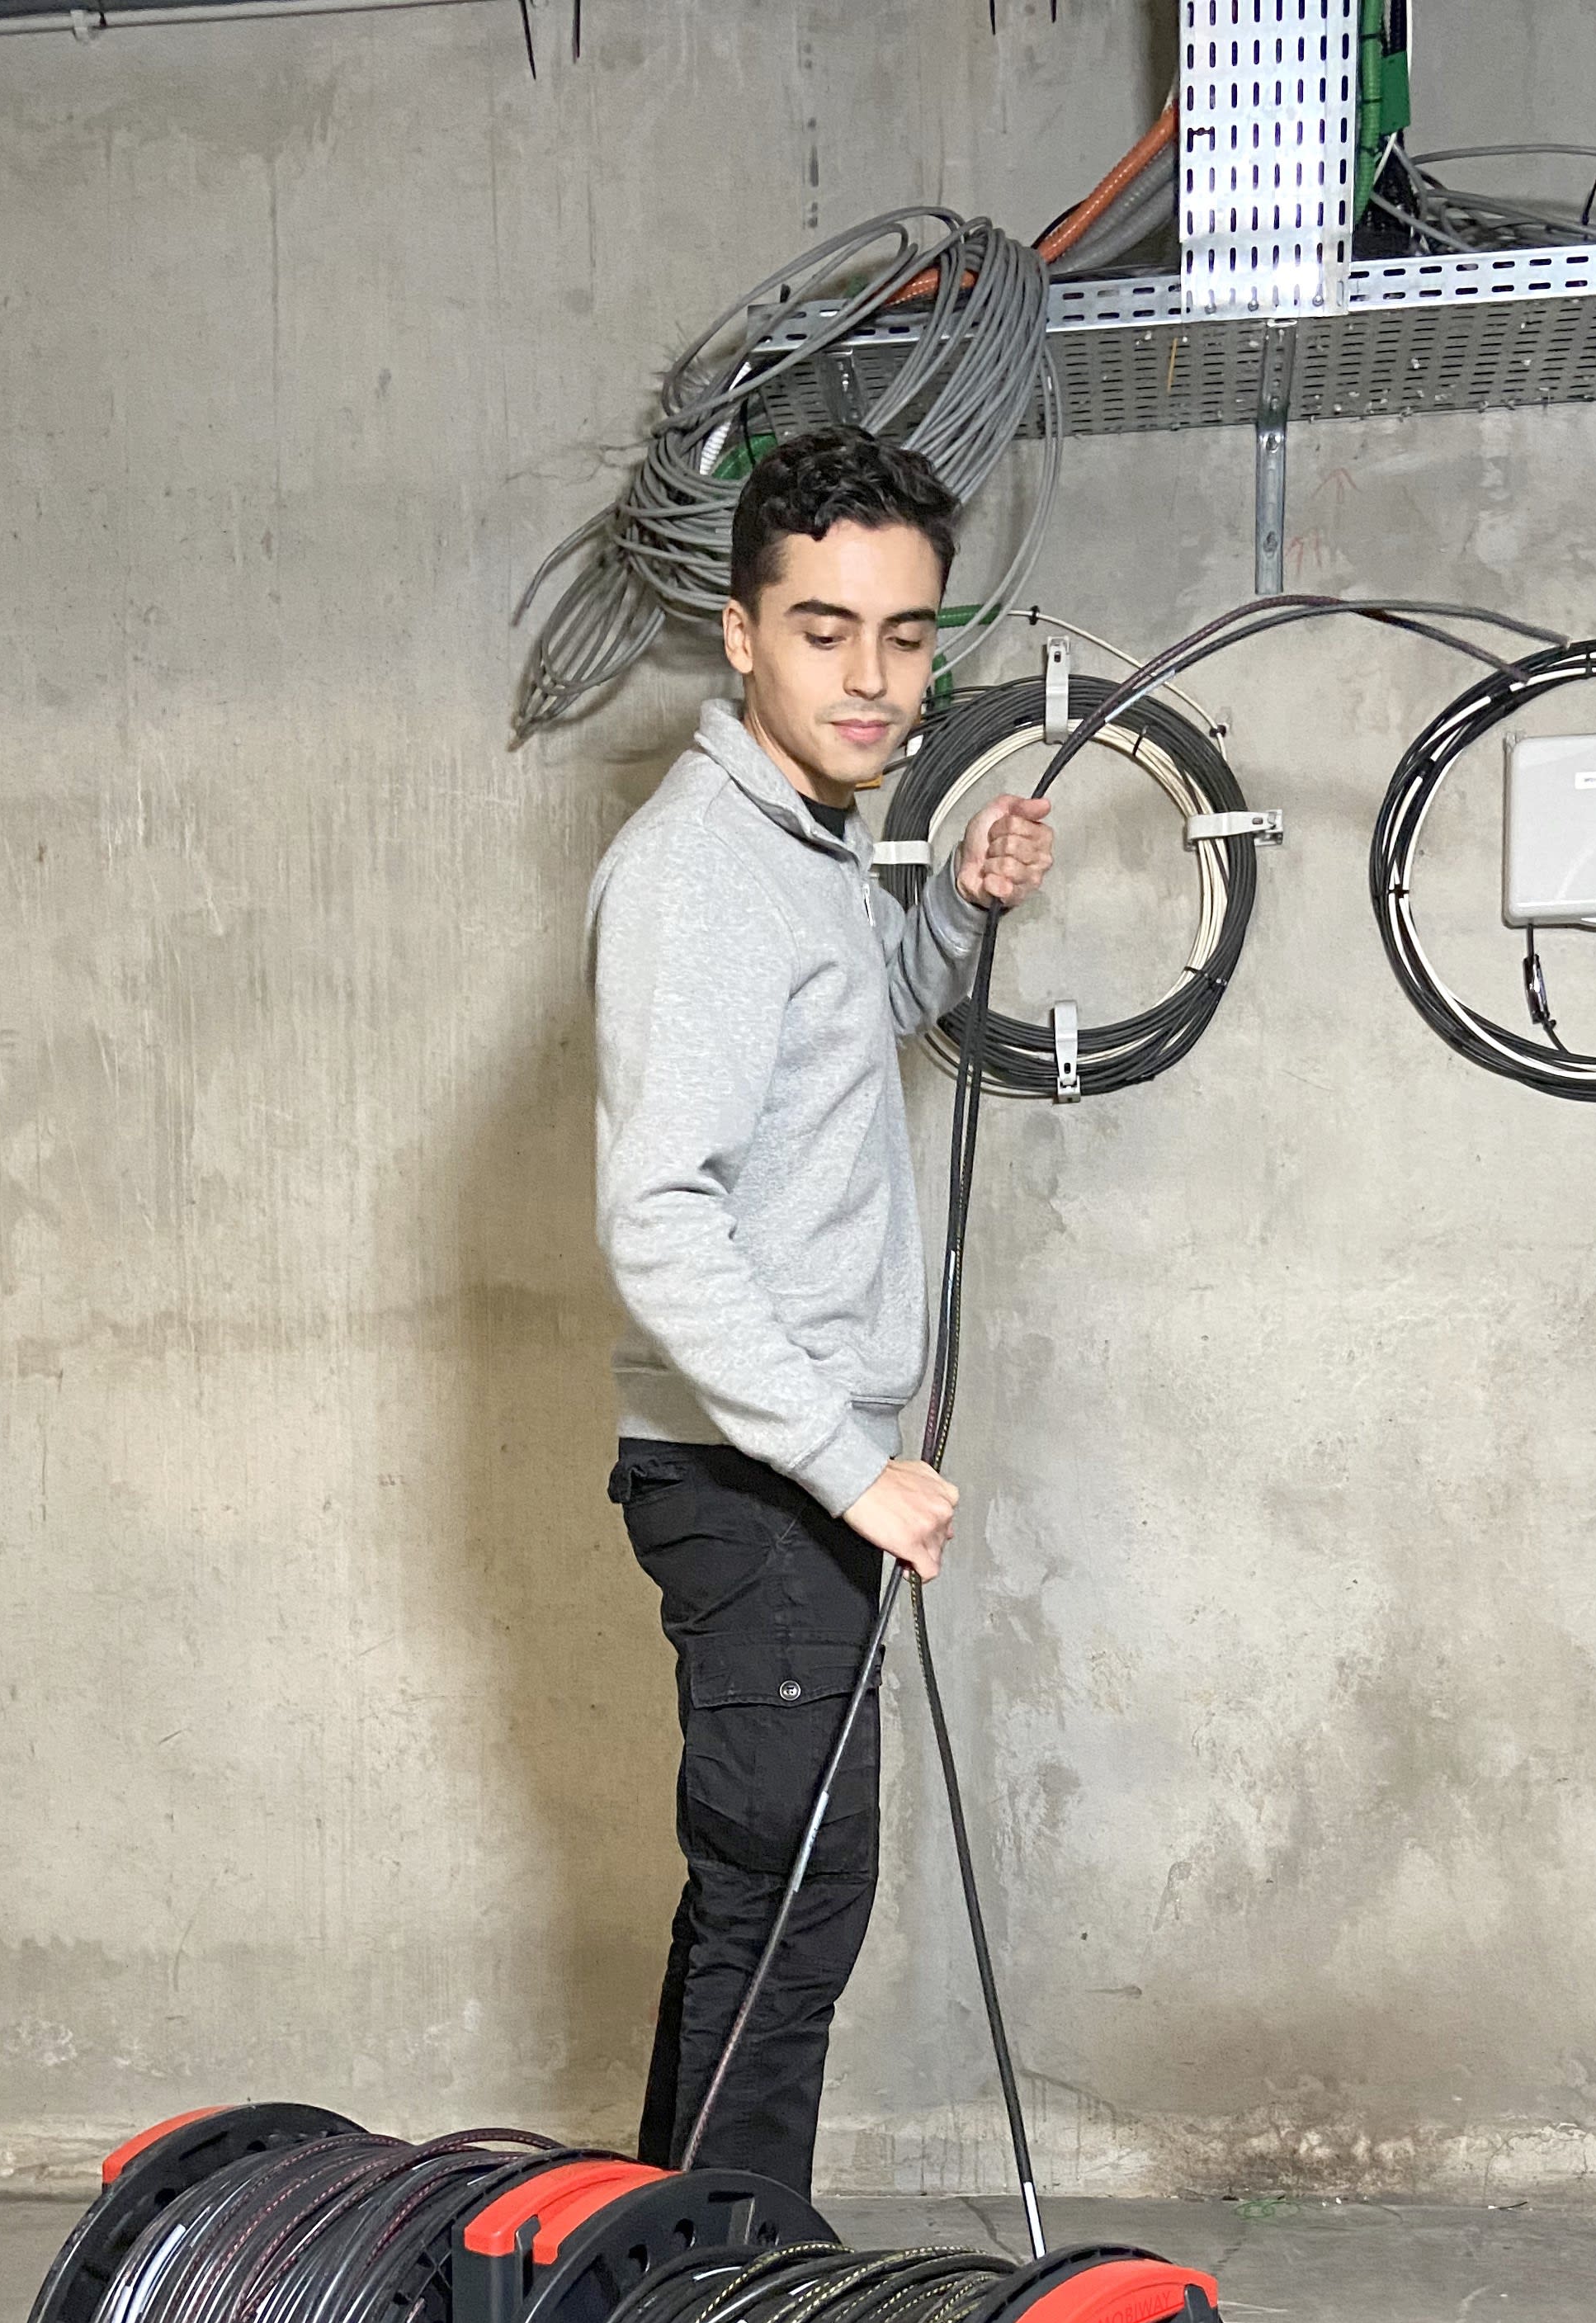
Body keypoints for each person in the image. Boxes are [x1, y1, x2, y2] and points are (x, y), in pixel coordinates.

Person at [589, 427, 1054, 2198]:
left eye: (905, 635)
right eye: (823, 629)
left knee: (761, 1907)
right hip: (756, 1480)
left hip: (792, 1474)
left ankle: (670, 2278)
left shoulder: (807, 841)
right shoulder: (701, 869)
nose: (871, 678)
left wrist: (956, 906)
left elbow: (858, 1022)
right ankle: (727, 2314)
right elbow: (658, 1220)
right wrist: (851, 1470)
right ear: (740, 634)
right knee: (789, 1911)